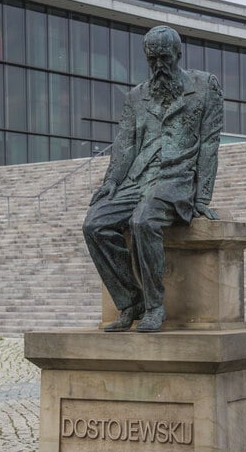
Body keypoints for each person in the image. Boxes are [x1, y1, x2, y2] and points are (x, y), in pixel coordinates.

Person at [83, 25, 224, 332]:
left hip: (176, 179)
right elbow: (125, 143)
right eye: (152, 60)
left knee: (142, 220)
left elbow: (209, 144)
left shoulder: (204, 87)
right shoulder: (136, 96)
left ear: (178, 54)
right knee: (94, 224)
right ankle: (129, 301)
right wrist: (111, 182)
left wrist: (202, 197)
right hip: (137, 179)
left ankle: (154, 305)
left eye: (164, 58)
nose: (159, 66)